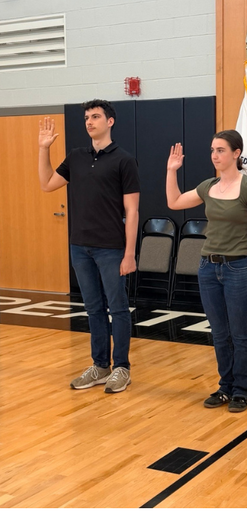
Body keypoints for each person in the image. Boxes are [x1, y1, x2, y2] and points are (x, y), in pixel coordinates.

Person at [38, 101, 140, 393]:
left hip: (111, 247)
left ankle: (122, 368)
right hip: (80, 246)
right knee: (93, 308)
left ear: (110, 121)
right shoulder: (76, 156)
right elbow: (47, 184)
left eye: (95, 116)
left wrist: (129, 253)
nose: (89, 122)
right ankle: (100, 365)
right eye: (86, 117)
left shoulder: (124, 160)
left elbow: (132, 210)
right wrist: (44, 148)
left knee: (117, 308)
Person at [166, 132, 247, 412]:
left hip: (239, 267)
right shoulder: (208, 186)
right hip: (208, 267)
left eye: (221, 150)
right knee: (220, 333)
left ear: (236, 153)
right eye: (212, 150)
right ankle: (226, 387)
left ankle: (241, 391)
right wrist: (171, 171)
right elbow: (174, 202)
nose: (214, 155)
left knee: (239, 333)